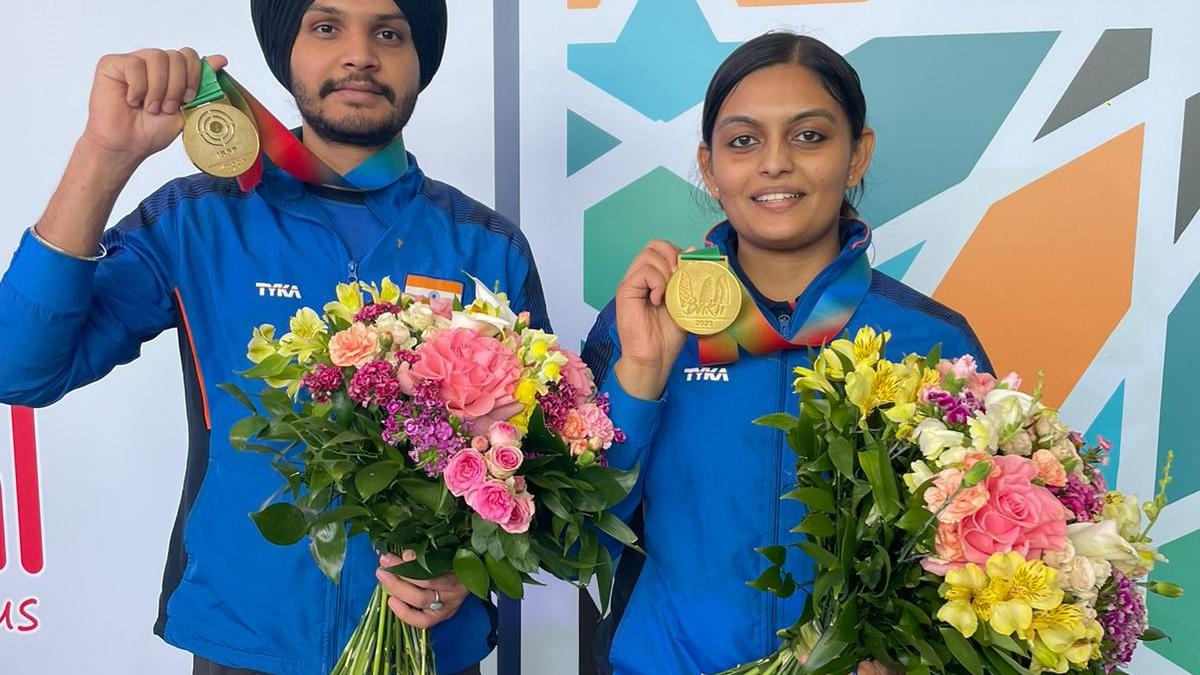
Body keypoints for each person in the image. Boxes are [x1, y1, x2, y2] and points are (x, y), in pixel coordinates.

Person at [0, 1, 548, 673]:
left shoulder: (487, 247)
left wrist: (469, 568)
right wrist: (104, 155)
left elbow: (535, 468)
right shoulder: (198, 219)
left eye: (389, 32)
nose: (360, 54)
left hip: (431, 649)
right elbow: (19, 367)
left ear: (420, 59)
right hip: (243, 643)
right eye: (326, 26)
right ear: (285, 49)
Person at [582, 31, 991, 674]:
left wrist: (915, 657)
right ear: (711, 167)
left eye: (809, 136)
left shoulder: (933, 342)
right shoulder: (644, 323)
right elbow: (580, 534)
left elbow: (979, 553)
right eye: (744, 140)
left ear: (857, 156)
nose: (775, 163)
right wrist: (641, 377)